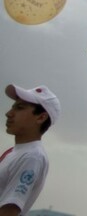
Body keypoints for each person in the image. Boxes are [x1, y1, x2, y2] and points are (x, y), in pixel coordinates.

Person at [1, 84, 60, 216]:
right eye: (13, 107)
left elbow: (9, 210)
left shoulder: (32, 156)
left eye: (19, 108)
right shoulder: (15, 152)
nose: (9, 113)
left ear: (41, 117)